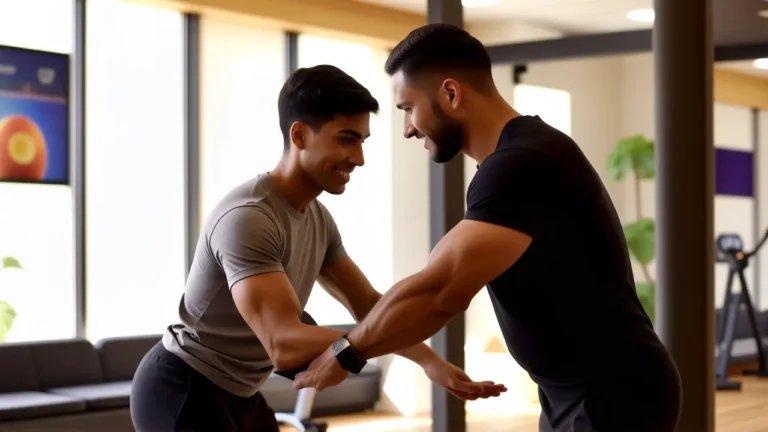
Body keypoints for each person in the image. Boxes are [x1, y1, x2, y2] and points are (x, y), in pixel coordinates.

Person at [292, 25, 684, 432]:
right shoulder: (517, 156)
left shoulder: (520, 163)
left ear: (451, 94)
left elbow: (439, 290)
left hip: (612, 394)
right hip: (584, 390)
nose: (408, 128)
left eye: (408, 108)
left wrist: (346, 353)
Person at [129, 64, 506, 432]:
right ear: (299, 136)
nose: (358, 158)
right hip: (182, 387)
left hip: (240, 391)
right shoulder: (249, 218)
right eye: (346, 139)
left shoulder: (317, 218)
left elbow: (367, 305)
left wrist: (427, 361)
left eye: (361, 141)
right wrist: (362, 344)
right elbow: (283, 343)